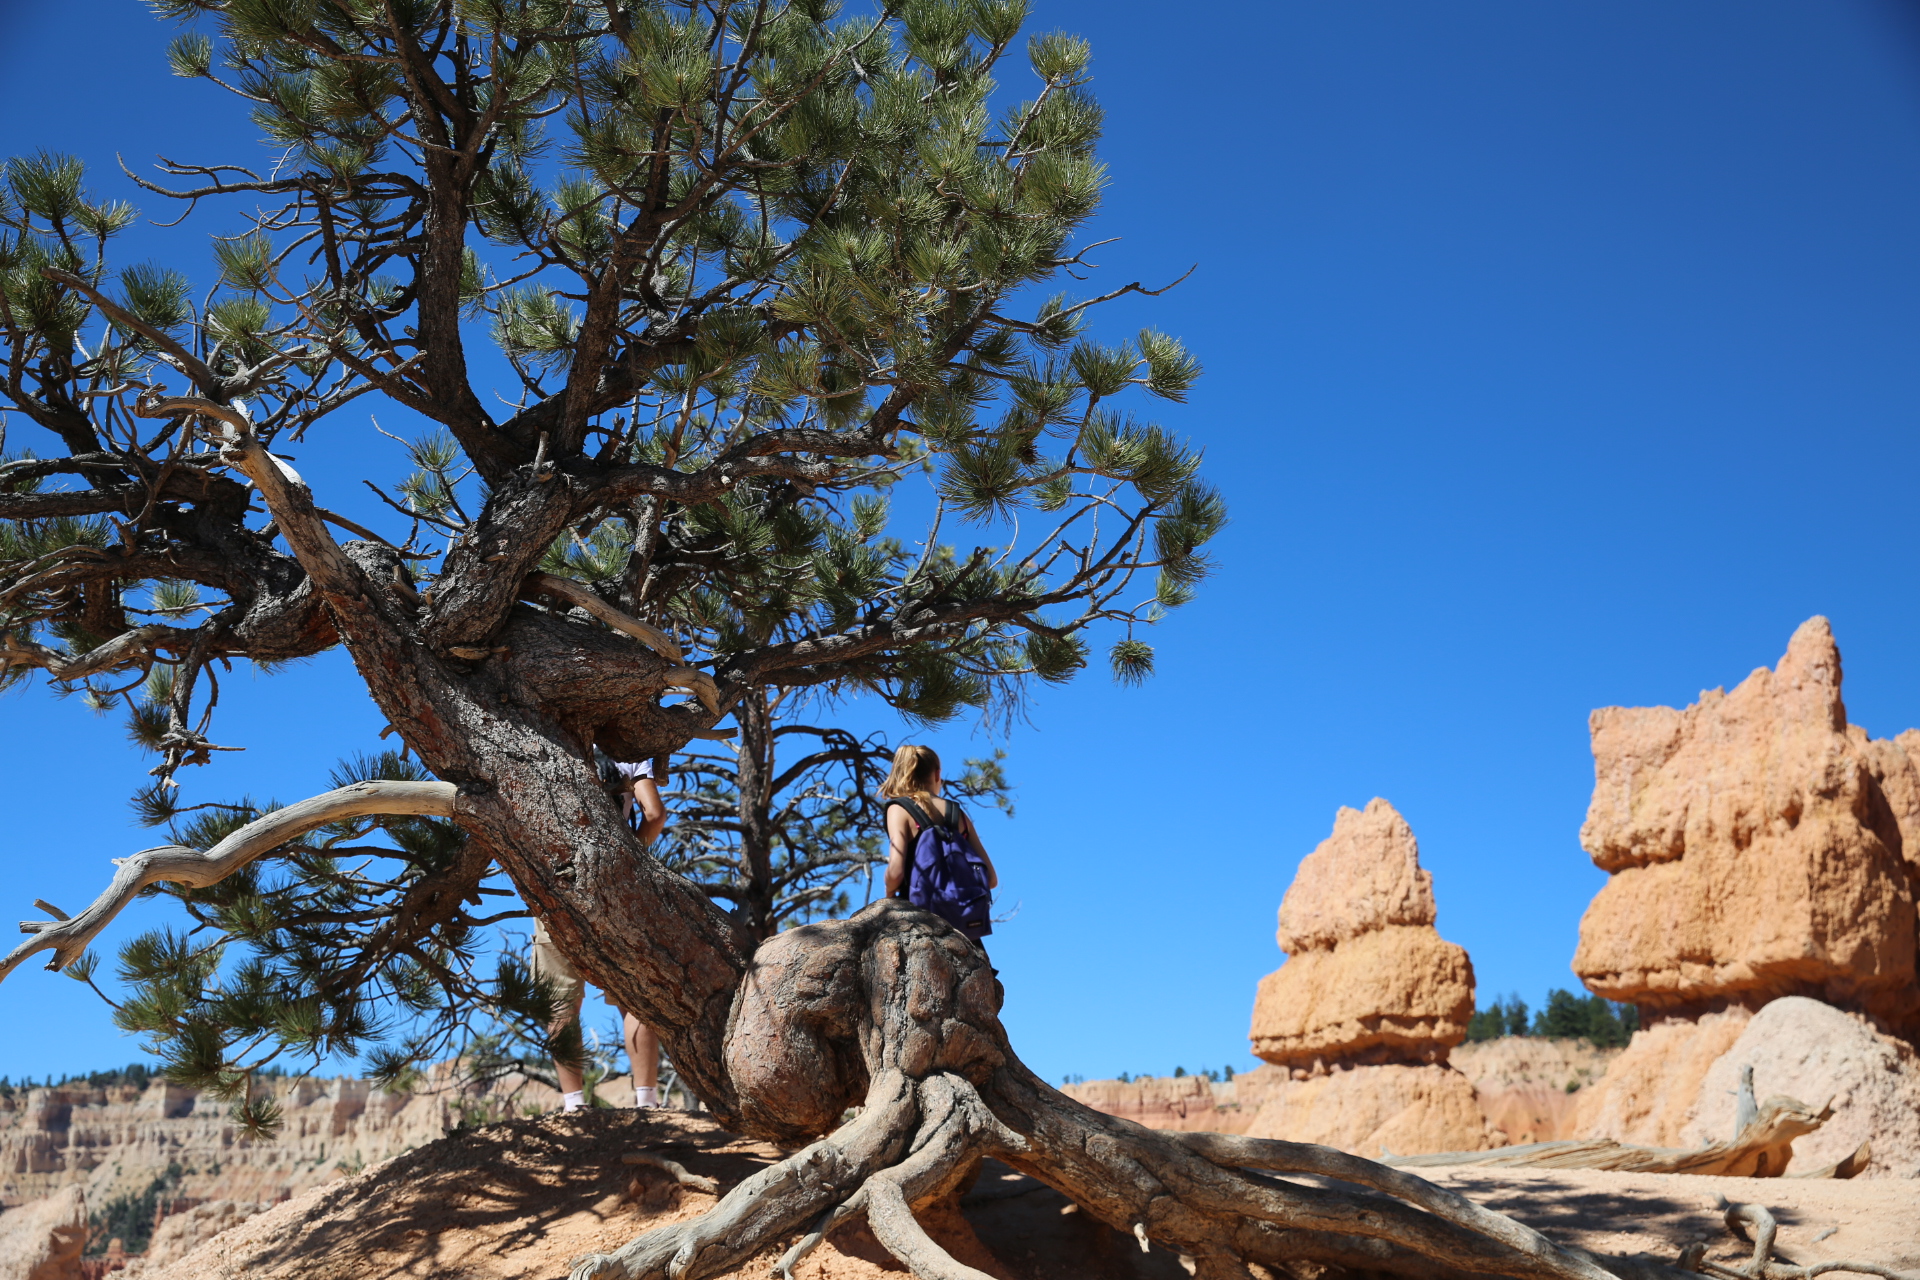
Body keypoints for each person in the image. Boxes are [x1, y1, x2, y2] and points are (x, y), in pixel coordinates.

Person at [529, 754, 669, 1112]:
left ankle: (574, 1104)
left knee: (560, 999)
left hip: (555, 883)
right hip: (615, 884)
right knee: (635, 994)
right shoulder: (630, 753)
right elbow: (654, 815)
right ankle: (647, 1100)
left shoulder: (546, 740)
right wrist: (630, 860)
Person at [880, 744, 998, 943]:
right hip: (964, 934)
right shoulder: (957, 814)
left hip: (920, 924)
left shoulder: (899, 809)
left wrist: (889, 896)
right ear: (937, 774)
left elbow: (896, 872)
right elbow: (991, 879)